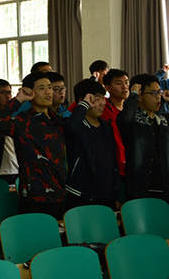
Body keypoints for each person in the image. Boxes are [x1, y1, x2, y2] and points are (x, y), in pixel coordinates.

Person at [0, 72, 66, 220]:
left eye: (50, 87)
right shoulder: (23, 121)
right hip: (34, 196)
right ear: (30, 92)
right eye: (42, 88)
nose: (48, 92)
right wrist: (19, 99)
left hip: (59, 193)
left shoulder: (57, 121)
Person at [65, 79, 120, 210]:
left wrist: (116, 194)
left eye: (103, 98)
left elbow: (113, 160)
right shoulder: (76, 125)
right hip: (82, 194)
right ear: (83, 101)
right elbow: (71, 129)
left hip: (107, 193)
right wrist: (84, 105)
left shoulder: (106, 126)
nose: (102, 103)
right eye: (96, 99)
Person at [117, 74, 169, 202]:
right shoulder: (134, 122)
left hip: (164, 188)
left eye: (159, 93)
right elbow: (125, 118)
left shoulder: (163, 121)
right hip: (139, 189)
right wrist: (133, 94)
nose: (158, 97)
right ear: (140, 96)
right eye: (153, 93)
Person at [101, 69, 130, 178]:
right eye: (119, 83)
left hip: (131, 165)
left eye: (126, 82)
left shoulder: (130, 109)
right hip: (112, 166)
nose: (124, 86)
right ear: (108, 88)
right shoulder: (103, 109)